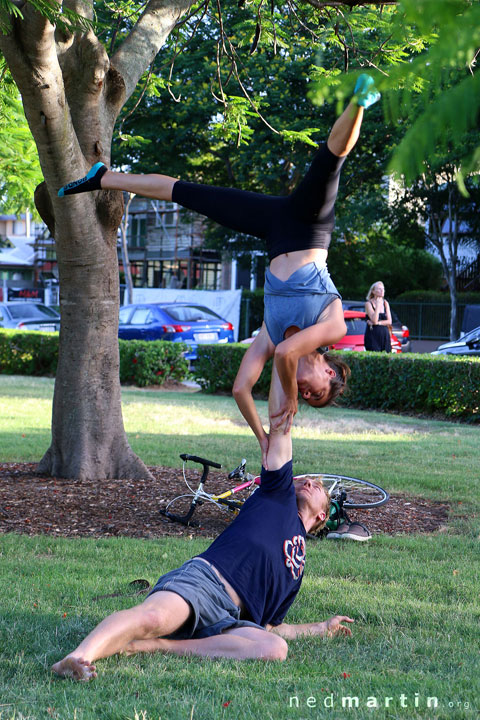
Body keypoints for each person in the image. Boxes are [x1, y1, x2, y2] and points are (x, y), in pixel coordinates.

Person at [58, 75, 380, 465]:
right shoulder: (335, 328)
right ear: (329, 373)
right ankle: (360, 100)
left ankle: (104, 178)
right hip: (310, 228)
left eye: (307, 399)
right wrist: (291, 399)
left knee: (190, 195)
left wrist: (263, 437)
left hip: (275, 230)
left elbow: (241, 388)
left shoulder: (271, 335)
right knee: (330, 163)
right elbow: (288, 355)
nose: (306, 396)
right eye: (315, 393)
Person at [51, 366, 354, 681]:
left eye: (319, 487)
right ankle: (75, 659)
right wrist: (286, 366)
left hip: (231, 620)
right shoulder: (276, 496)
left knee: (274, 648)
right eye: (305, 479)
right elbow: (281, 427)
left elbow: (274, 627)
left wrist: (321, 628)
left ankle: (157, 646)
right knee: (152, 616)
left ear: (322, 516)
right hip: (206, 582)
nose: (310, 483)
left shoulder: (297, 570)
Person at [364, 281, 392, 353]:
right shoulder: (368, 304)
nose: (382, 291)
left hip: (385, 335)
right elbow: (374, 320)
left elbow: (389, 321)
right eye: (379, 289)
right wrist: (378, 305)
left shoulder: (386, 303)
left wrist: (378, 323)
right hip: (373, 335)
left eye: (383, 289)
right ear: (373, 291)